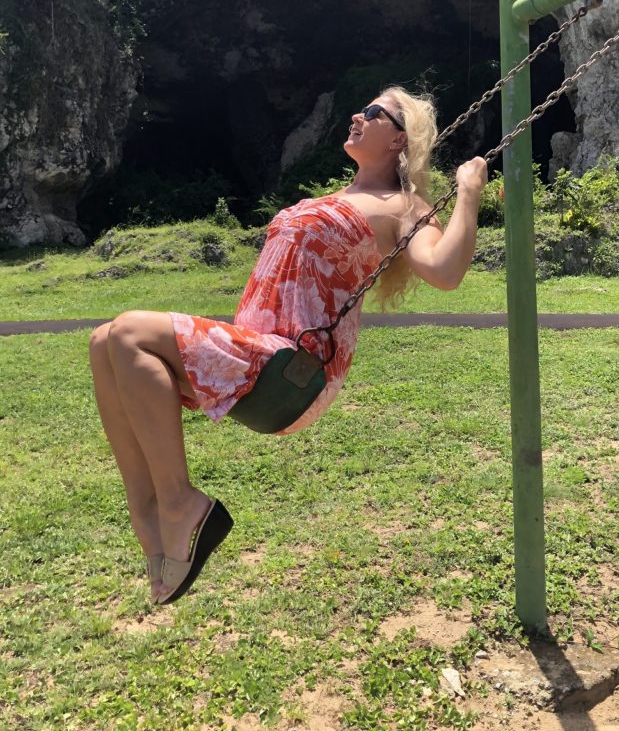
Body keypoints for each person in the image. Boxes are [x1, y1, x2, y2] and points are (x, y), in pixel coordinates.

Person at [89, 86, 488, 605]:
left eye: (373, 113)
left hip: (293, 367)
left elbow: (446, 271)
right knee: (103, 343)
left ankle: (180, 504)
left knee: (128, 332)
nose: (356, 116)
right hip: (255, 348)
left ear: (399, 139)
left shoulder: (405, 205)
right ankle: (148, 517)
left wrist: (469, 193)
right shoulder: (335, 198)